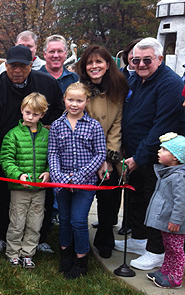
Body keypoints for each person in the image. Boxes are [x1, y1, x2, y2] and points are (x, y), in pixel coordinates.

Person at [0, 45, 64, 255]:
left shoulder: (47, 83)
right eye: (13, 66)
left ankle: (40, 236)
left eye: (22, 67)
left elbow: (60, 111)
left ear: (31, 65)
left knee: (41, 190)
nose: (17, 71)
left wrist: (50, 125)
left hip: (38, 145)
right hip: (3, 145)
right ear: (5, 66)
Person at [118, 37, 185, 271]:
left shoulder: (170, 84)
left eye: (147, 60)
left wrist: (139, 157)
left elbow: (161, 125)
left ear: (160, 59)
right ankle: (139, 239)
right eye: (136, 60)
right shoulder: (135, 79)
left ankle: (156, 251)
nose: (141, 64)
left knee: (157, 204)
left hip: (158, 156)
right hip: (135, 151)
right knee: (137, 199)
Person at [75, 45, 129, 259]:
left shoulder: (118, 88)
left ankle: (105, 236)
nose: (94, 66)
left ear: (108, 64)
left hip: (109, 152)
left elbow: (116, 125)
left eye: (99, 62)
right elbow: (77, 125)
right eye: (90, 62)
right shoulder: (79, 89)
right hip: (84, 152)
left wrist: (108, 158)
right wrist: (96, 160)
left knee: (110, 191)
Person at [48, 82, 106, 279]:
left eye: (79, 100)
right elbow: (53, 153)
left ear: (86, 102)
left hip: (85, 182)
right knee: (64, 219)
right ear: (64, 99)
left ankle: (81, 260)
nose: (74, 104)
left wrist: (80, 176)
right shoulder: (57, 125)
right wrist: (60, 177)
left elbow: (100, 154)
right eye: (70, 100)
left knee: (78, 220)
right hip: (62, 181)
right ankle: (66, 255)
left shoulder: (94, 126)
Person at [1, 93, 50, 269]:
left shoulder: (47, 135)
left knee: (35, 222)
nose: (31, 117)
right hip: (19, 188)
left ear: (42, 115)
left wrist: (48, 172)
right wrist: (17, 175)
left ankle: (28, 253)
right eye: (28, 112)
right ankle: (13, 252)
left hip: (39, 189)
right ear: (22, 110)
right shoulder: (12, 135)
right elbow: (6, 160)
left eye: (35, 114)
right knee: (17, 221)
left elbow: (52, 157)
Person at [144, 133, 185, 289]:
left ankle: (175, 278)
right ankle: (166, 271)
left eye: (164, 149)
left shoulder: (179, 176)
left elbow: (181, 202)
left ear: (175, 157)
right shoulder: (170, 172)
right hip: (168, 222)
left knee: (176, 249)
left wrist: (176, 220)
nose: (159, 152)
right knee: (168, 247)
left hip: (175, 223)